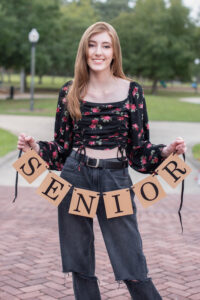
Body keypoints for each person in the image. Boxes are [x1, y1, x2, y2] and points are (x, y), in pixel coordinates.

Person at [17, 22, 186, 300]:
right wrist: (35, 147)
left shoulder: (133, 91)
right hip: (74, 177)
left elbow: (139, 152)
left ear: (114, 53)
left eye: (105, 46)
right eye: (92, 45)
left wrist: (166, 152)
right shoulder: (69, 92)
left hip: (116, 180)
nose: (98, 52)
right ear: (84, 51)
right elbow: (61, 149)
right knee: (80, 265)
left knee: (132, 262)